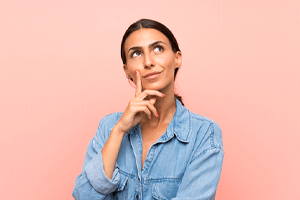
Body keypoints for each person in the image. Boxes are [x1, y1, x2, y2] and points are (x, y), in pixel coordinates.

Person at [72, 18, 224, 200]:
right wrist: (119, 130)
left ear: (177, 58)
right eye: (136, 54)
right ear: (126, 70)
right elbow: (85, 196)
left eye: (158, 49)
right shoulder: (108, 127)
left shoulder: (204, 133)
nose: (148, 62)